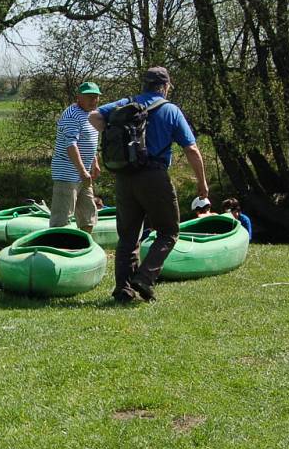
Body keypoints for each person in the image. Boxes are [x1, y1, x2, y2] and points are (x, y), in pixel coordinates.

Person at [89, 66, 209, 302]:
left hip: (124, 176)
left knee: (128, 236)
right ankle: (144, 278)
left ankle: (123, 289)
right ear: (164, 87)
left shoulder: (126, 104)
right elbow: (192, 150)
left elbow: (94, 117)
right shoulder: (171, 110)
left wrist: (116, 133)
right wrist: (202, 184)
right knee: (169, 231)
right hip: (154, 176)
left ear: (144, 85)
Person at [49, 81, 102, 232]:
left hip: (82, 174)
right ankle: (59, 250)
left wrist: (94, 163)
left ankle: (84, 249)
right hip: (67, 174)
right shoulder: (72, 115)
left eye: (96, 97)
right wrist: (82, 171)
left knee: (88, 215)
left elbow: (88, 142)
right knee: (62, 217)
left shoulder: (92, 114)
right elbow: (71, 146)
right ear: (79, 97)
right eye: (90, 97)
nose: (94, 100)